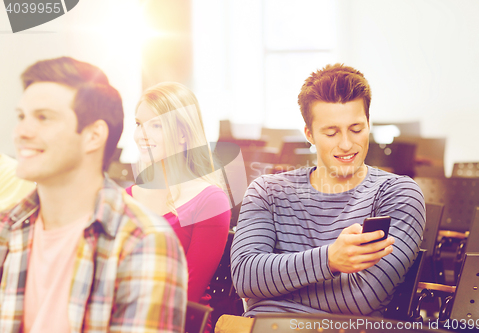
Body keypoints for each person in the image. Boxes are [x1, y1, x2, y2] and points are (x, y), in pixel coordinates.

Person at [0, 57, 187, 333]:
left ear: (93, 135)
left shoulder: (143, 241)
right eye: (21, 117)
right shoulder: (8, 227)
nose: (21, 132)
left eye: (43, 117)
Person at [231, 63, 425, 317]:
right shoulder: (267, 191)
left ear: (368, 123)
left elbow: (361, 297)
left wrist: (271, 288)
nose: (346, 144)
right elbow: (245, 277)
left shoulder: (397, 193)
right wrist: (330, 260)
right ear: (309, 134)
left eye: (356, 129)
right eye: (331, 133)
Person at [126, 82, 230, 328]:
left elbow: (186, 292)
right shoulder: (127, 197)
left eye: (157, 125)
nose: (143, 135)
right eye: (139, 124)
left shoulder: (210, 201)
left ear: (184, 134)